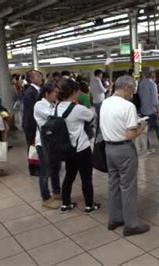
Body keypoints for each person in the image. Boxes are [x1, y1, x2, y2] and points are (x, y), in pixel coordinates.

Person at [100, 75, 150, 236]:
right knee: (128, 187)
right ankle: (131, 224)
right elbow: (130, 134)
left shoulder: (105, 102)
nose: (133, 93)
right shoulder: (128, 106)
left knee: (113, 184)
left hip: (108, 149)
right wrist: (142, 127)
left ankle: (114, 219)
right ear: (127, 88)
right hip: (124, 150)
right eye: (133, 90)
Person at [55, 79, 100, 214]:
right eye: (77, 91)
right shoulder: (78, 108)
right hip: (81, 148)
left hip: (66, 148)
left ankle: (65, 203)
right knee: (86, 177)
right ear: (73, 92)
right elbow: (92, 115)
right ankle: (89, 205)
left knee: (69, 176)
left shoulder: (57, 107)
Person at [34, 83, 61, 209]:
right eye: (54, 92)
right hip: (43, 143)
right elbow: (54, 117)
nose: (56, 94)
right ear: (46, 94)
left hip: (53, 141)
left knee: (56, 167)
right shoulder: (40, 105)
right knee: (45, 171)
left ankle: (56, 192)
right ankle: (46, 198)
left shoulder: (53, 104)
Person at [138, 67, 159, 154]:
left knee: (146, 129)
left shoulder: (141, 83)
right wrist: (158, 112)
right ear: (151, 74)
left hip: (143, 110)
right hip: (151, 110)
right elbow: (155, 101)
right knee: (158, 129)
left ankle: (147, 147)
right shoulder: (152, 84)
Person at [22, 70, 43, 176]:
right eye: (38, 76)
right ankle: (33, 168)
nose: (40, 78)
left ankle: (37, 164)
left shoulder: (37, 90)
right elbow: (32, 111)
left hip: (34, 123)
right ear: (31, 79)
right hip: (31, 124)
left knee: (36, 144)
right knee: (32, 145)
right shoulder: (30, 92)